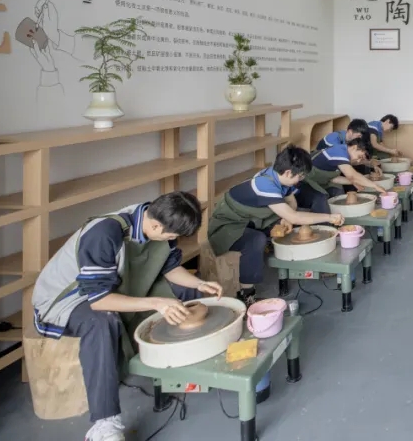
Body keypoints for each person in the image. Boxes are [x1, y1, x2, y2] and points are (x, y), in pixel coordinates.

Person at [31, 192, 220, 441]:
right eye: (171, 236)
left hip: (118, 284)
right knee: (102, 322)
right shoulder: (104, 233)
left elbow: (170, 268)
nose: (172, 240)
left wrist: (199, 284)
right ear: (156, 226)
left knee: (186, 293)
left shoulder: (157, 219)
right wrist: (156, 303)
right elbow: (99, 301)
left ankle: (178, 367)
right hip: (68, 299)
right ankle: (104, 422)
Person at [208, 147, 343, 305]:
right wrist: (328, 217)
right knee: (256, 240)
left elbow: (292, 203)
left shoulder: (279, 176)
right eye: (299, 176)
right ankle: (246, 295)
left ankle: (296, 262)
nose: (300, 180)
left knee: (285, 226)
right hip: (228, 225)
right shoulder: (265, 184)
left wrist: (287, 220)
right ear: (288, 173)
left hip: (252, 219)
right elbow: (294, 215)